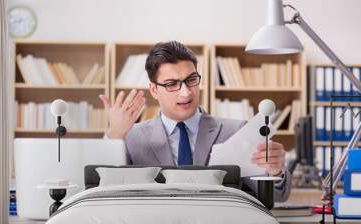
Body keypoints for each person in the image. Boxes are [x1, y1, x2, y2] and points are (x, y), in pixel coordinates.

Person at [99, 41, 290, 202]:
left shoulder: (236, 130)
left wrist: (276, 171)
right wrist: (114, 136)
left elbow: (276, 196)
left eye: (191, 80)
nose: (186, 92)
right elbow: (103, 193)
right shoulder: (131, 137)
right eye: (172, 84)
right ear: (154, 90)